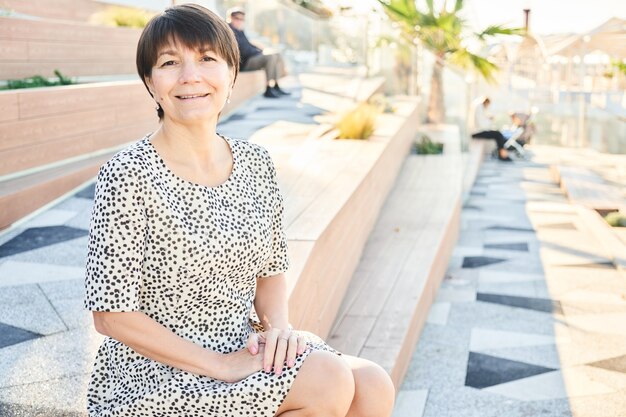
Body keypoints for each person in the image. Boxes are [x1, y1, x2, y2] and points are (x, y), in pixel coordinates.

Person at [84, 4, 395, 417]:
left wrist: (279, 332)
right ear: (150, 82)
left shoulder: (256, 163)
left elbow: (271, 273)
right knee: (327, 379)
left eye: (206, 59)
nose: (190, 76)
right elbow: (110, 315)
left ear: (232, 73)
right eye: (169, 63)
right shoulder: (127, 173)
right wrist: (220, 365)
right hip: (155, 369)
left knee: (372, 383)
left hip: (241, 343)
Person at [227, 6, 289, 99]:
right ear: (230, 18)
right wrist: (258, 52)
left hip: (250, 58)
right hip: (244, 62)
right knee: (270, 57)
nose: (240, 21)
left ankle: (276, 86)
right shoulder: (229, 30)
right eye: (237, 18)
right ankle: (268, 89)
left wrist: (260, 50)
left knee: (276, 54)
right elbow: (243, 50)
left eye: (242, 19)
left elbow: (247, 44)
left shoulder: (239, 30)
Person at [470, 96, 512, 162]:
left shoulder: (480, 107)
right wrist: (489, 120)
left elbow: (482, 121)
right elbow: (481, 124)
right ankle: (502, 155)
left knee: (498, 134)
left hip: (480, 130)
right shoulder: (479, 107)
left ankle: (501, 154)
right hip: (478, 132)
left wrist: (488, 119)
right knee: (498, 134)